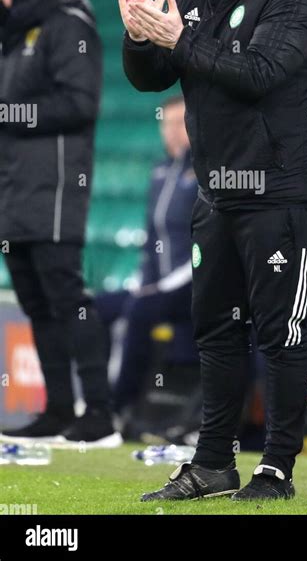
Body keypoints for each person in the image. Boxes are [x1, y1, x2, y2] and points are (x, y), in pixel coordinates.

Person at [117, 0, 307, 501]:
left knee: (282, 333)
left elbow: (260, 73)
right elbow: (152, 78)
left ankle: (276, 469)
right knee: (215, 329)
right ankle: (213, 463)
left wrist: (176, 38)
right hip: (217, 189)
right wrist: (140, 37)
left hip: (283, 189)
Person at [0, 0, 120, 448]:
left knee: (65, 293)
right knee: (34, 298)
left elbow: (79, 104)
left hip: (54, 183)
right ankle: (57, 410)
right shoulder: (8, 36)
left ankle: (99, 416)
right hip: (12, 184)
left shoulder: (66, 22)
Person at [95, 95, 199, 420]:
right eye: (166, 124)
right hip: (156, 286)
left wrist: (162, 288)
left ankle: (118, 405)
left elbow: (204, 246)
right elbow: (151, 241)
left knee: (139, 311)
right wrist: (144, 282)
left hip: (191, 286)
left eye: (179, 123)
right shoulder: (159, 172)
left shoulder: (204, 173)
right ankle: (91, 402)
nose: (172, 132)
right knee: (93, 308)